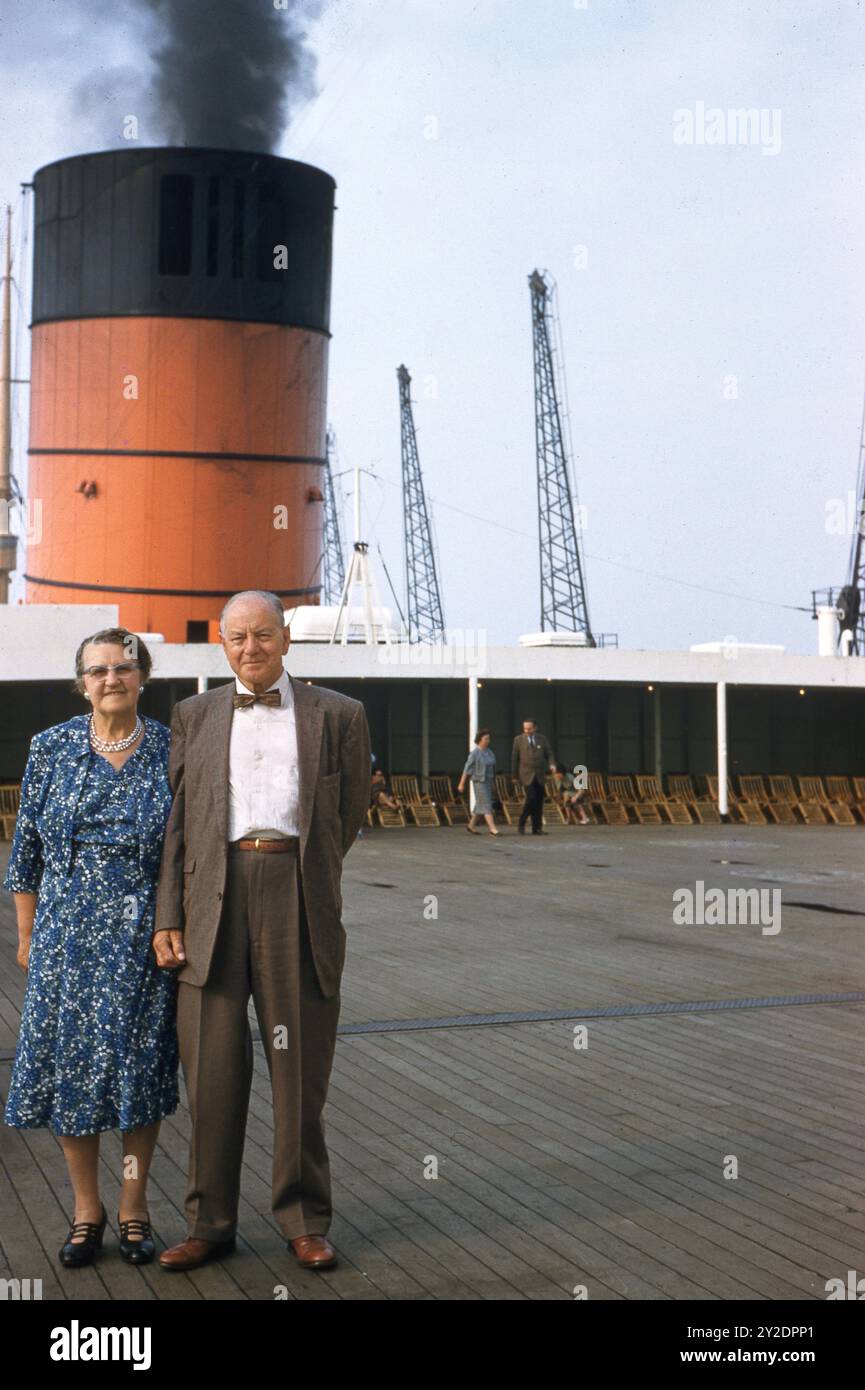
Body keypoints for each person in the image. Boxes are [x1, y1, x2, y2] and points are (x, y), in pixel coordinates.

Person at [153, 589, 371, 1273]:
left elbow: (348, 815)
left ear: (285, 639)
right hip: (210, 900)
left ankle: (304, 1219)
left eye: (263, 636)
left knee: (299, 1073)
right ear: (223, 643)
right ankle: (208, 1223)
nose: (251, 649)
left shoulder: (339, 714)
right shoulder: (192, 714)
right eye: (237, 637)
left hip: (296, 899)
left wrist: (306, 880)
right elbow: (177, 828)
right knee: (212, 1074)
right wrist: (168, 916)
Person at [3, 628, 177, 1268]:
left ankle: (134, 1207)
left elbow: (185, 854)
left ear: (143, 676)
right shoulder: (49, 749)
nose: (112, 679)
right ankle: (86, 1210)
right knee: (71, 1075)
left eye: (124, 668)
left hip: (144, 938)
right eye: (98, 670)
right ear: (82, 682)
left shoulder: (170, 748)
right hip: (67, 936)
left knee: (138, 1075)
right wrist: (25, 937)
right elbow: (26, 856)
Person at [511, 719, 558, 835]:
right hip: (526, 775)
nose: (527, 731)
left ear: (535, 728)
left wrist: (552, 764)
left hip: (540, 775)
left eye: (529, 728)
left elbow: (549, 753)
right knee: (531, 798)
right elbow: (514, 759)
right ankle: (521, 822)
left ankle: (537, 828)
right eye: (525, 728)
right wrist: (514, 776)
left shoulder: (542, 739)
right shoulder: (518, 740)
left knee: (538, 801)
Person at [457, 730, 501, 836]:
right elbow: (467, 769)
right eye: (486, 738)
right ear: (480, 740)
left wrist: (493, 783)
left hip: (489, 780)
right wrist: (461, 783)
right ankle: (492, 828)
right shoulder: (474, 754)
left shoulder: (490, 752)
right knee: (486, 804)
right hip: (479, 782)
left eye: (488, 739)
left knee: (480, 804)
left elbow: (493, 768)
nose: (488, 741)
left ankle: (471, 826)